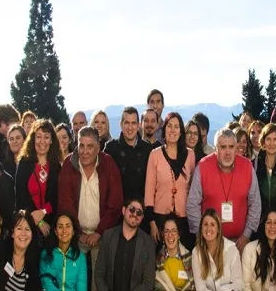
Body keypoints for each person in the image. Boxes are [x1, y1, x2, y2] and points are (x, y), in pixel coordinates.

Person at [58, 126, 124, 291]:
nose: (85, 151)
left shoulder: (109, 164)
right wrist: (77, 233)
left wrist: (99, 231)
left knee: (98, 281)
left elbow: (115, 203)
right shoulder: (69, 165)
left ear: (98, 148)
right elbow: (65, 203)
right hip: (75, 235)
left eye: (90, 147)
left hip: (100, 234)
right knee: (72, 280)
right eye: (81, 146)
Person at [187, 128, 262, 254]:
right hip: (210, 242)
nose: (228, 152)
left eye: (231, 147)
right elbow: (192, 205)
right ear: (215, 149)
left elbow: (255, 203)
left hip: (240, 243)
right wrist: (203, 236)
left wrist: (246, 235)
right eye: (223, 147)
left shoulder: (247, 167)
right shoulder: (203, 166)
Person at [145, 112, 196, 247]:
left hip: (184, 219)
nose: (173, 130)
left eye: (177, 126)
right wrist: (152, 223)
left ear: (181, 132)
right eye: (169, 126)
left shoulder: (190, 155)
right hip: (160, 218)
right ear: (164, 129)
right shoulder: (154, 155)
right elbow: (149, 193)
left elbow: (194, 189)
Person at [15, 119, 63, 237]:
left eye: (46, 137)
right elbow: (20, 196)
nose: (42, 141)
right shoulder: (24, 163)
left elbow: (57, 197)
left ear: (52, 140)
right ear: (33, 139)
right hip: (28, 224)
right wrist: (38, 221)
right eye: (38, 136)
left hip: (51, 224)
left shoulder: (56, 165)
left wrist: (44, 212)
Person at [106, 107, 153, 208]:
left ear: (139, 125)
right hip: (117, 210)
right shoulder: (111, 148)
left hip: (141, 210)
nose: (130, 127)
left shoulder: (147, 149)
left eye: (133, 123)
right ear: (121, 124)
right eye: (127, 123)